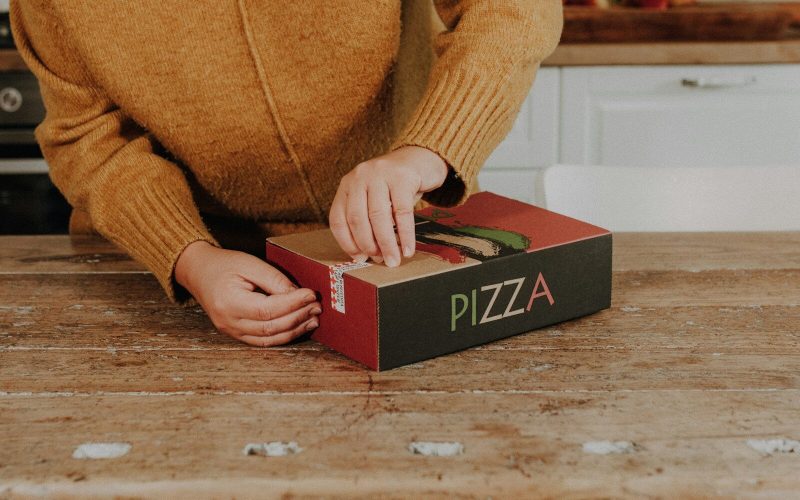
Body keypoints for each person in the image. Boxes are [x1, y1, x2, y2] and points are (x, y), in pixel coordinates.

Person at [11, 1, 562, 347]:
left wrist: (426, 150)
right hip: (170, 283)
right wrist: (188, 257)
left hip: (403, 243)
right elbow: (86, 135)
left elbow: (511, 10)